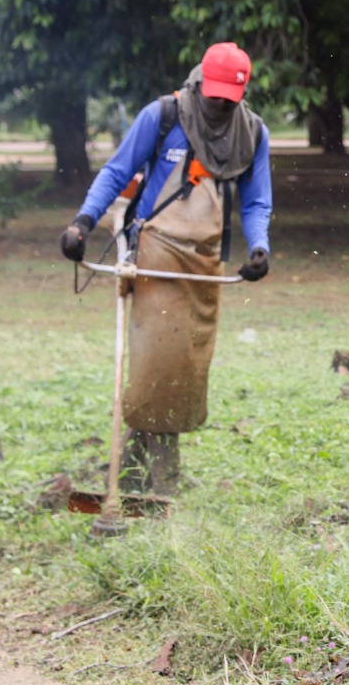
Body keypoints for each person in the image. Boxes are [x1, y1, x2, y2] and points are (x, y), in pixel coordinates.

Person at [58, 42, 272, 494]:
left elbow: (256, 201)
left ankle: (131, 472)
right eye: (213, 95)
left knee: (184, 369)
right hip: (154, 255)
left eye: (228, 99)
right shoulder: (163, 116)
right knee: (156, 365)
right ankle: (163, 484)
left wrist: (260, 247)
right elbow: (116, 172)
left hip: (204, 263)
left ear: (241, 94)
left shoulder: (251, 133)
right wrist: (82, 222)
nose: (218, 104)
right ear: (200, 82)